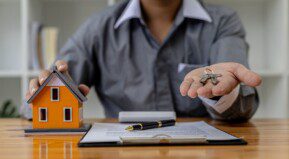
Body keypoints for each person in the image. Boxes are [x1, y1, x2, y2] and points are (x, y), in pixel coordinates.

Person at [26, 0, 262, 120]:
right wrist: (51, 89)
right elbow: (33, 107)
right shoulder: (99, 28)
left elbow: (241, 107)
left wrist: (222, 91)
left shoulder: (222, 22)